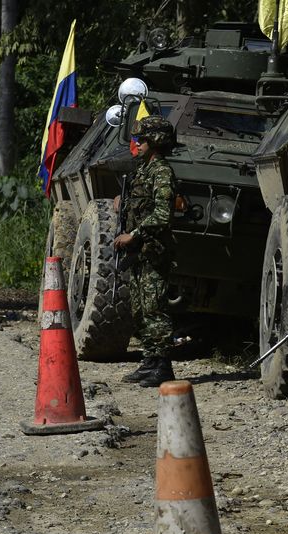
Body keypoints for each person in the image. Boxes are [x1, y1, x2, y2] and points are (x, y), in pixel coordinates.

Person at [114, 115, 177, 388]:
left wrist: (134, 235)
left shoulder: (162, 172)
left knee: (154, 309)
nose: (136, 143)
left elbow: (163, 215)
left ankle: (163, 366)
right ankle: (149, 361)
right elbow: (142, 205)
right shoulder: (144, 170)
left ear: (156, 141)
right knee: (140, 310)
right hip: (140, 253)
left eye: (141, 139)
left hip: (153, 251)